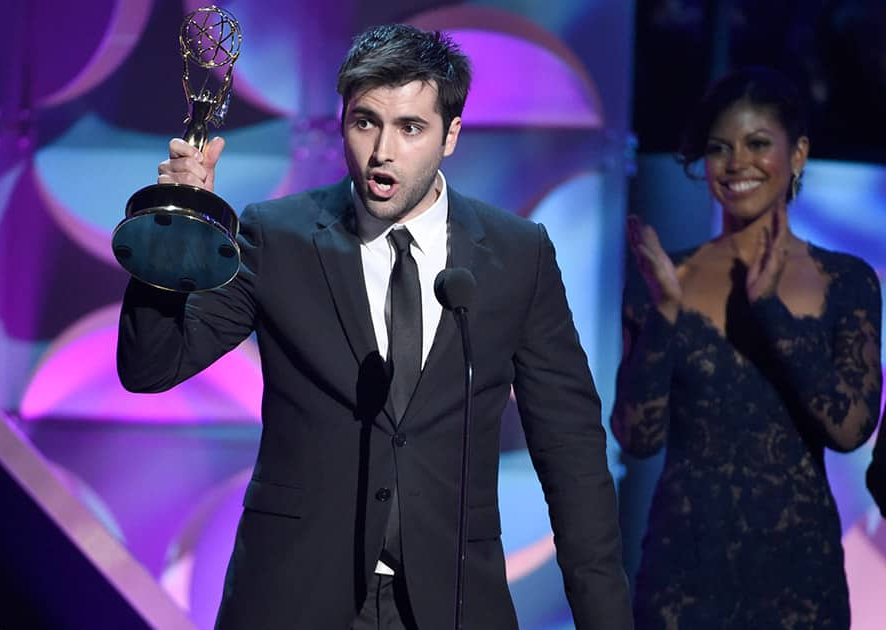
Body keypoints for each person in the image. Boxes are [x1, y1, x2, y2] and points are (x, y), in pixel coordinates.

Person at [118, 23, 632, 630]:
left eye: (410, 128)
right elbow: (150, 368)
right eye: (366, 122)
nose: (382, 151)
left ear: (451, 136)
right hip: (295, 597)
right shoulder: (277, 237)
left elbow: (570, 450)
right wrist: (171, 233)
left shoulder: (517, 256)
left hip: (453, 602)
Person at [612, 66, 883, 628]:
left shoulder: (849, 280)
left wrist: (771, 313)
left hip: (799, 582)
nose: (738, 163)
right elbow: (637, 438)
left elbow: (852, 429)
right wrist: (663, 314)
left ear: (798, 154)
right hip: (682, 579)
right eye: (720, 148)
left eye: (758, 144)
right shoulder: (667, 276)